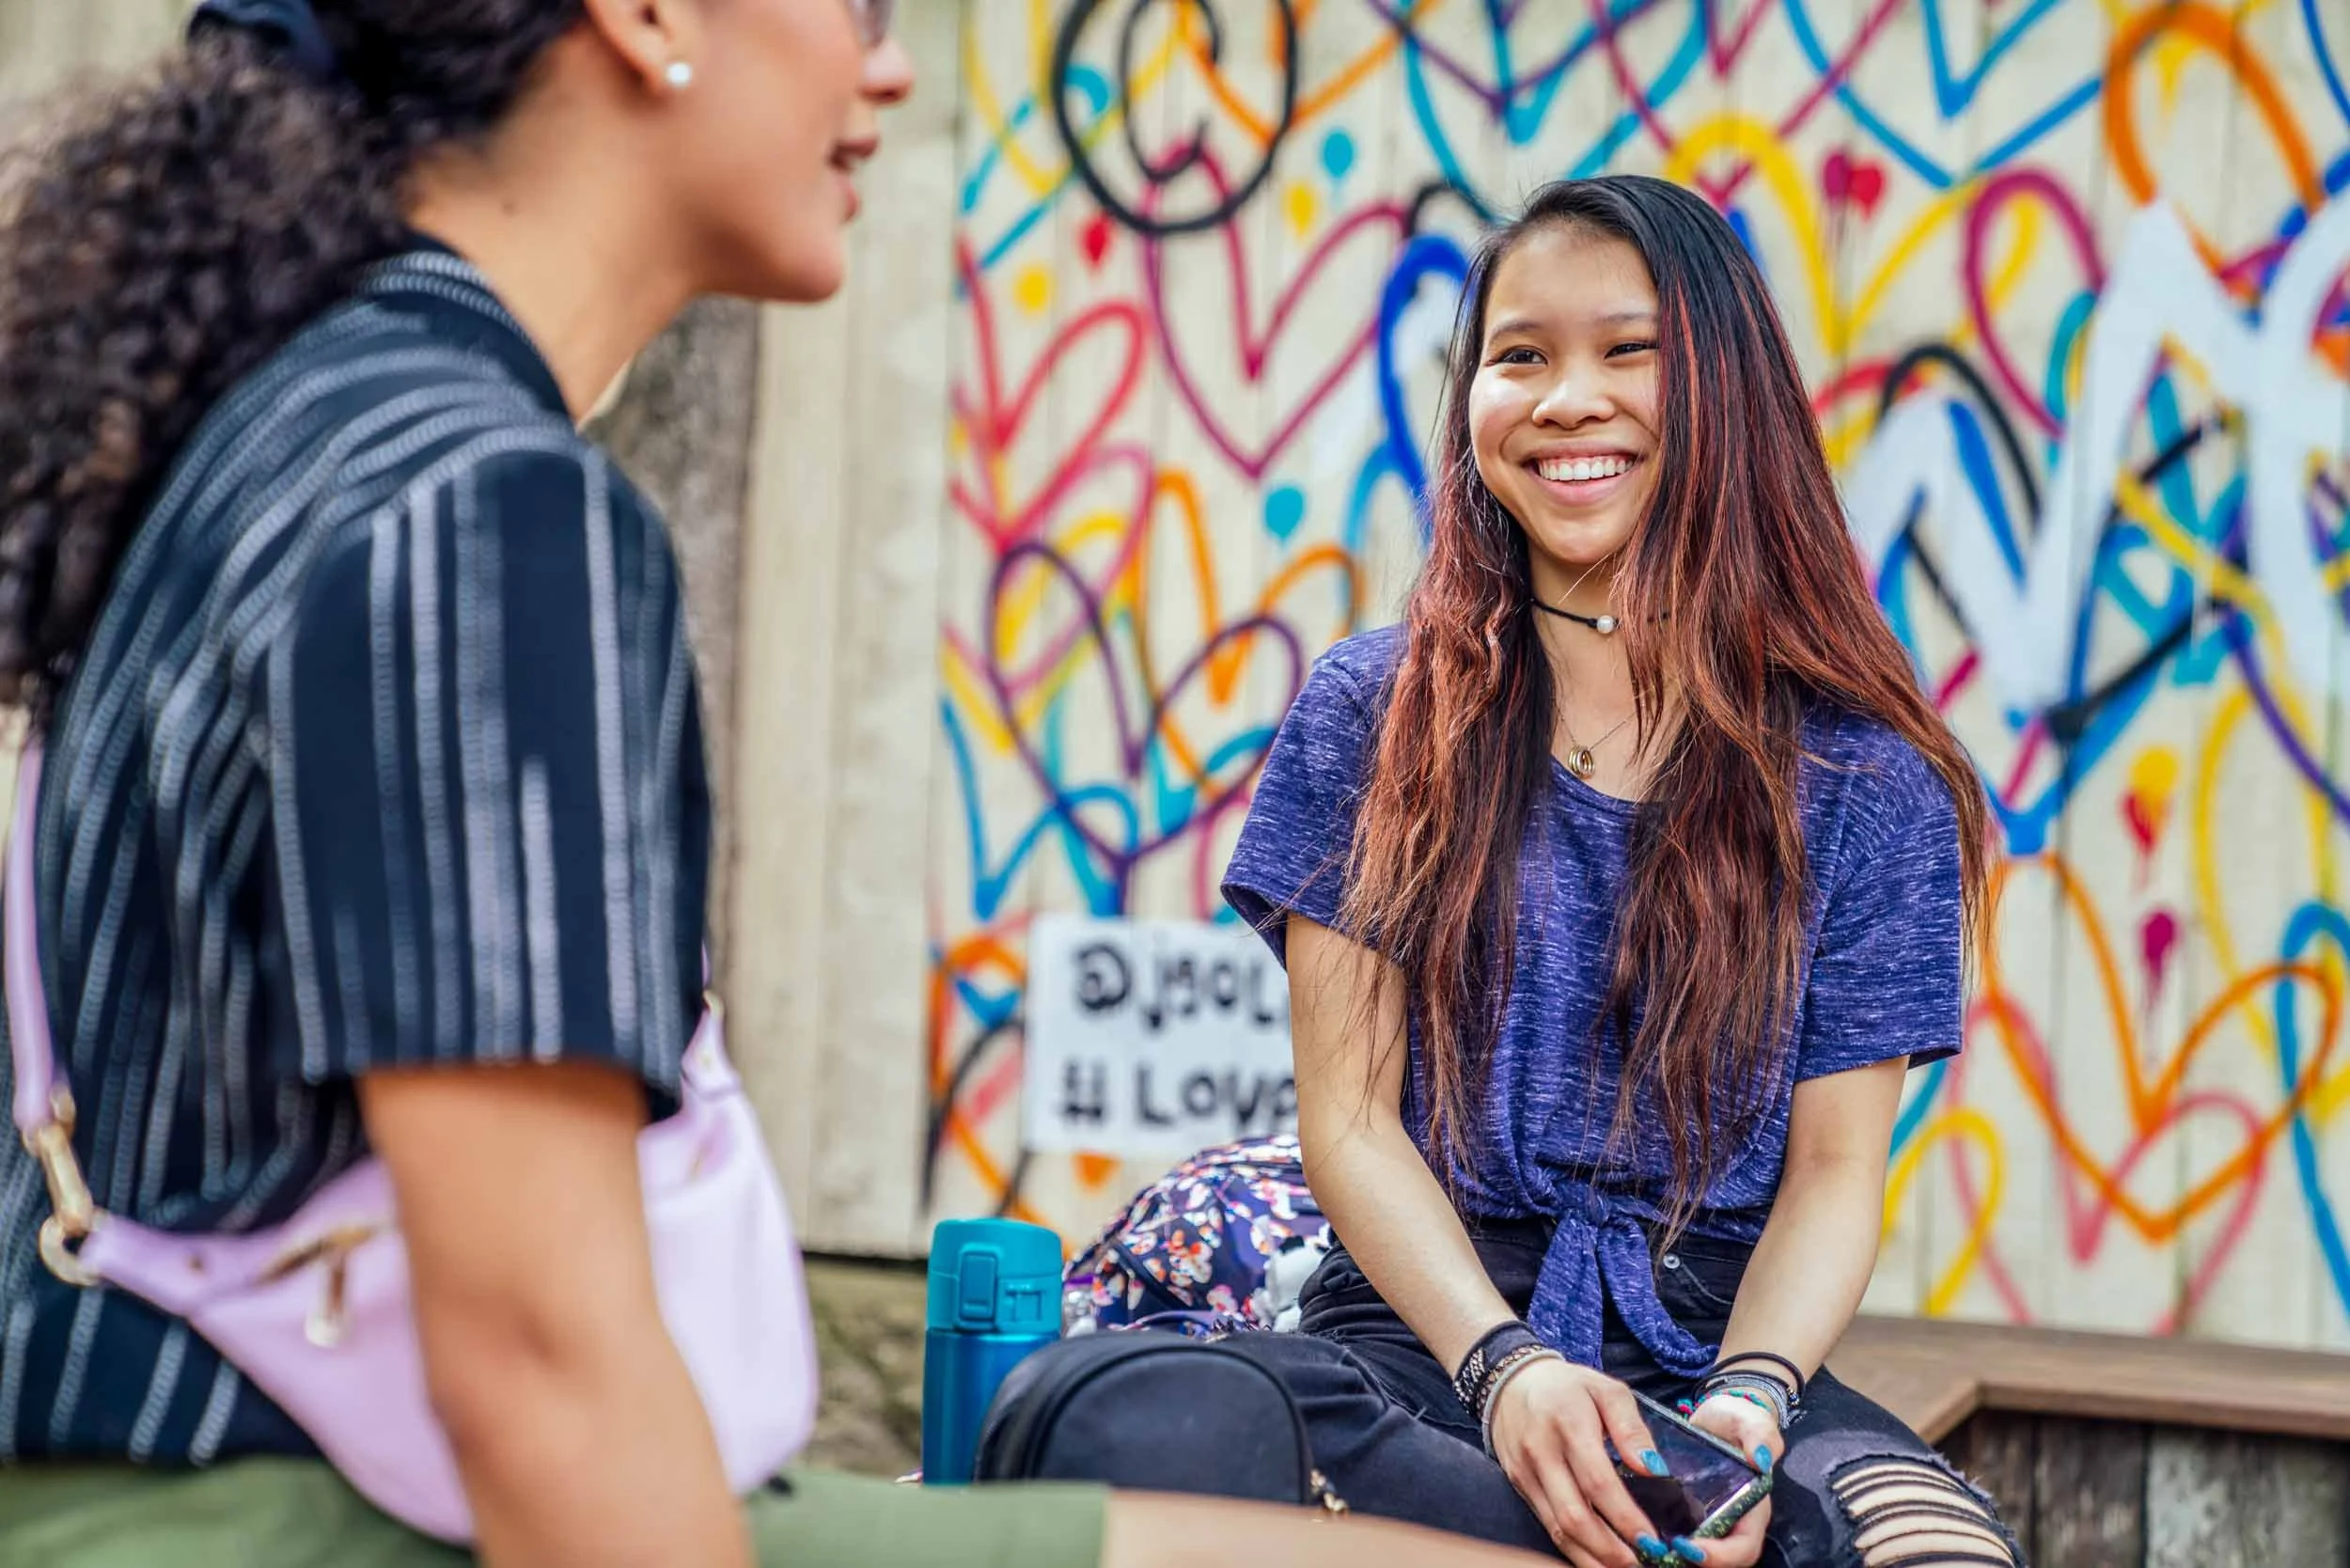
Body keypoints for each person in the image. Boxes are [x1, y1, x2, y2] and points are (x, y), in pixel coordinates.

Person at [0, 5, 1564, 1568]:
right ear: (648, 18)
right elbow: (544, 1382)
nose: (889, 68)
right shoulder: (483, 507)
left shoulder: (310, 415)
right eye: (861, 12)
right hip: (270, 1507)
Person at [1217, 175, 2027, 1568]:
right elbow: (1347, 1125)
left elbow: (1837, 1174)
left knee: (1928, 1553)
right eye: (1518, 357)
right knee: (1192, 1439)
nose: (1566, 399)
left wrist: (1749, 1412)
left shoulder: (1865, 777)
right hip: (1431, 1331)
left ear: (1726, 394)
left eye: (1626, 352)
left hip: (1723, 1347)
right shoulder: (1371, 712)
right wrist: (1507, 1371)